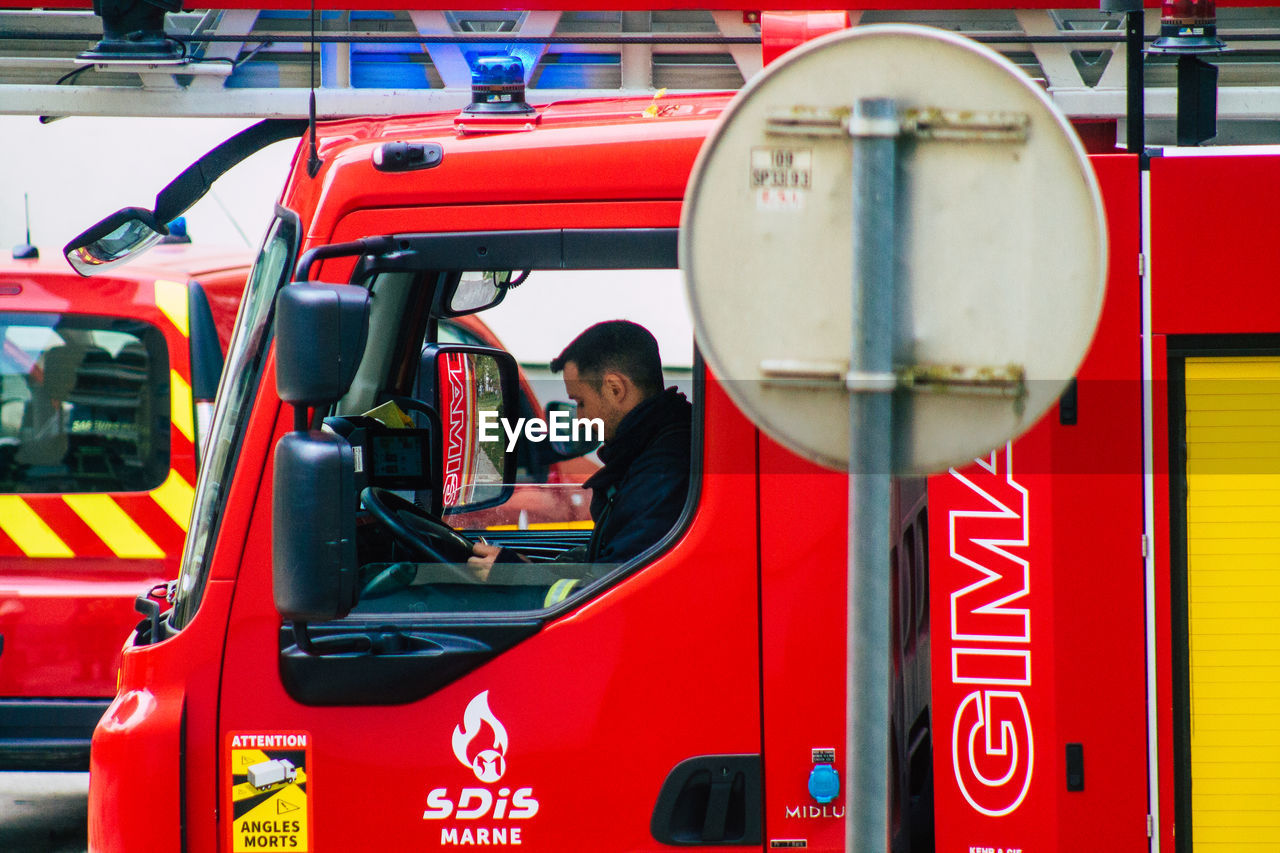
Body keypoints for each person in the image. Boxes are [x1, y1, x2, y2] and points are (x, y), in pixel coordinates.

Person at [468, 320, 692, 582]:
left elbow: (615, 592)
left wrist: (518, 577)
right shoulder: (649, 455)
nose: (581, 418)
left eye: (581, 403)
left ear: (615, 389)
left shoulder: (662, 473)